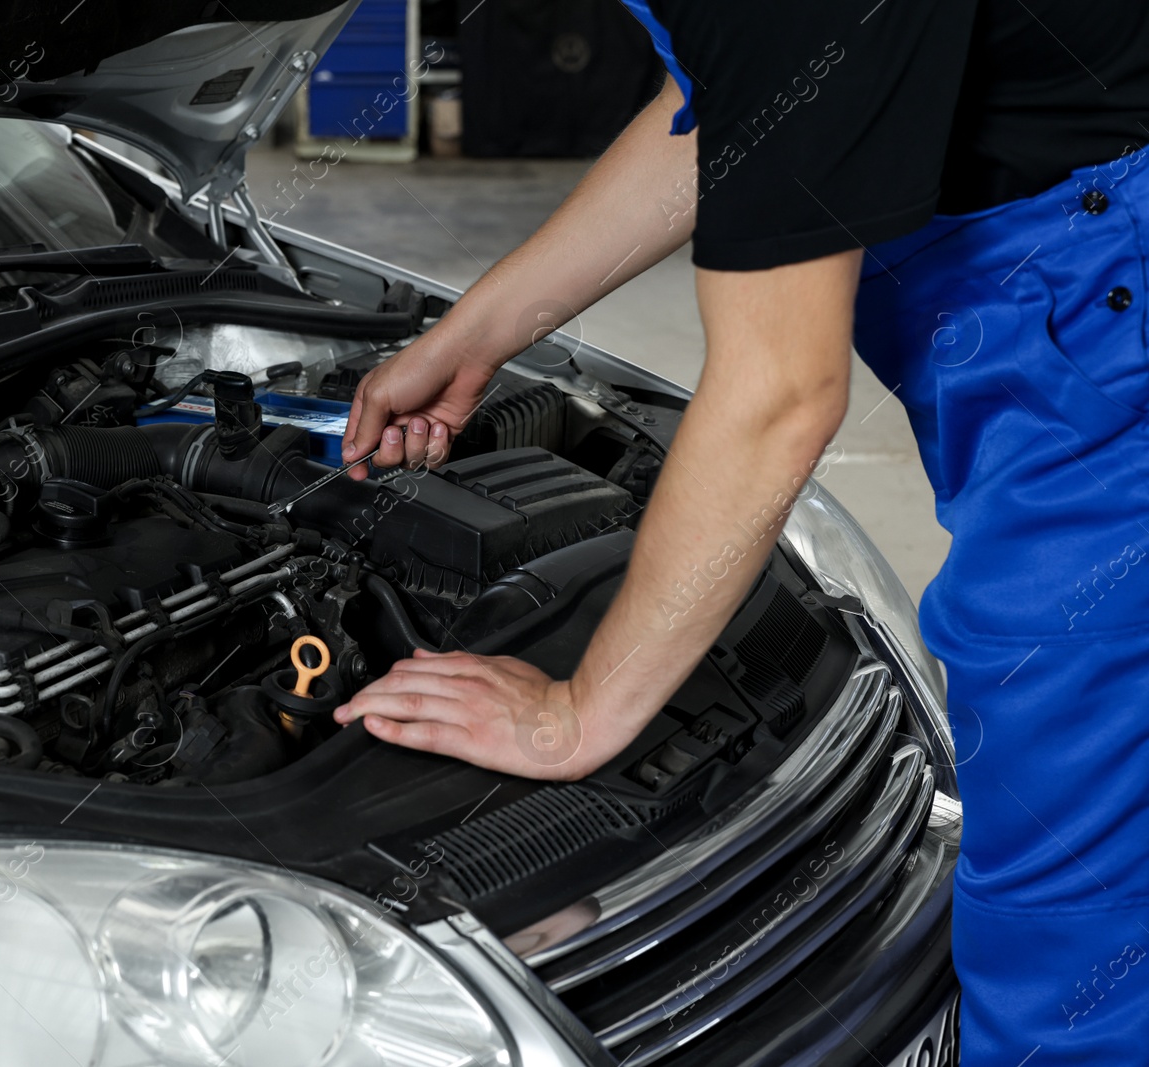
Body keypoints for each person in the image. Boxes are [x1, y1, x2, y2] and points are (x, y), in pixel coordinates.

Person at [331, 2, 1149, 1063]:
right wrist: (477, 330)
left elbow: (777, 393)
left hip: (1103, 324)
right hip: (1059, 291)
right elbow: (739, 112)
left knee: (1067, 914)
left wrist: (578, 714)